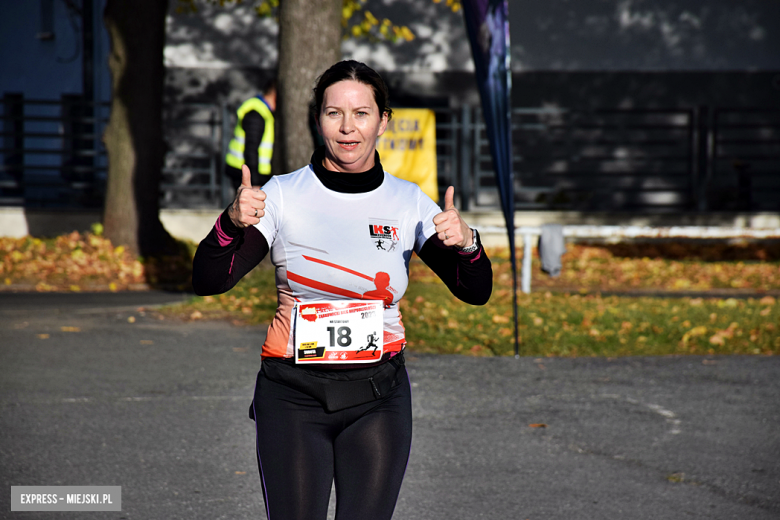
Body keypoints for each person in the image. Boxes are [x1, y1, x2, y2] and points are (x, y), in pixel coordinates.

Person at [192, 60, 493, 520]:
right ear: (318, 120)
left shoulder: (408, 200)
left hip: (379, 398)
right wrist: (230, 223)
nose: (348, 128)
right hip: (293, 396)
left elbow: (475, 291)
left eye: (362, 114)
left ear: (383, 122)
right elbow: (209, 280)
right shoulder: (283, 195)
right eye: (334, 113)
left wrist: (468, 243)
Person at [225, 78, 277, 189]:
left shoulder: (261, 109)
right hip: (244, 173)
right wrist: (254, 181)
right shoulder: (257, 113)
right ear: (274, 95)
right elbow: (251, 149)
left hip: (246, 170)